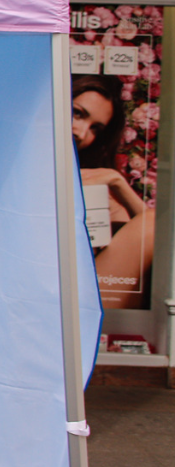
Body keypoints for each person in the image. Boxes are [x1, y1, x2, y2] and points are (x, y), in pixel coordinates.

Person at [72, 74, 155, 309]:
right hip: (46, 292)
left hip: (87, 296)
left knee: (151, 222)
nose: (81, 132)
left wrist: (118, 182)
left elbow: (150, 234)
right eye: (78, 113)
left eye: (95, 129)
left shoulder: (97, 183)